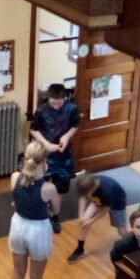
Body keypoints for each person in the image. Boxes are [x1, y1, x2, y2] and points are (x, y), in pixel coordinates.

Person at [8, 141, 60, 279]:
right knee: (36, 278)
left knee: (17, 273)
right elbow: (56, 210)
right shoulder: (48, 188)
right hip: (38, 230)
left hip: (17, 226)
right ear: (44, 162)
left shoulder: (15, 178)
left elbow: (15, 202)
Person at [30, 83, 79, 234]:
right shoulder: (42, 110)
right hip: (44, 154)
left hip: (63, 155)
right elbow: (33, 130)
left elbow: (75, 125)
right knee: (41, 184)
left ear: (64, 99)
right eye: (53, 103)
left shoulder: (72, 108)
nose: (56, 107)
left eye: (59, 103)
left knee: (61, 187)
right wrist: (46, 144)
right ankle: (41, 213)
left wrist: (66, 136)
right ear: (48, 99)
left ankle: (55, 215)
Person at [71, 173, 128, 264]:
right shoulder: (87, 184)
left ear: (92, 189)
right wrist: (81, 214)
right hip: (100, 200)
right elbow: (83, 197)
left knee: (122, 231)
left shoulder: (106, 190)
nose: (87, 196)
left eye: (88, 194)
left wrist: (90, 221)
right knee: (83, 222)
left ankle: (132, 243)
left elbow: (105, 210)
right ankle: (80, 249)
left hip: (117, 202)